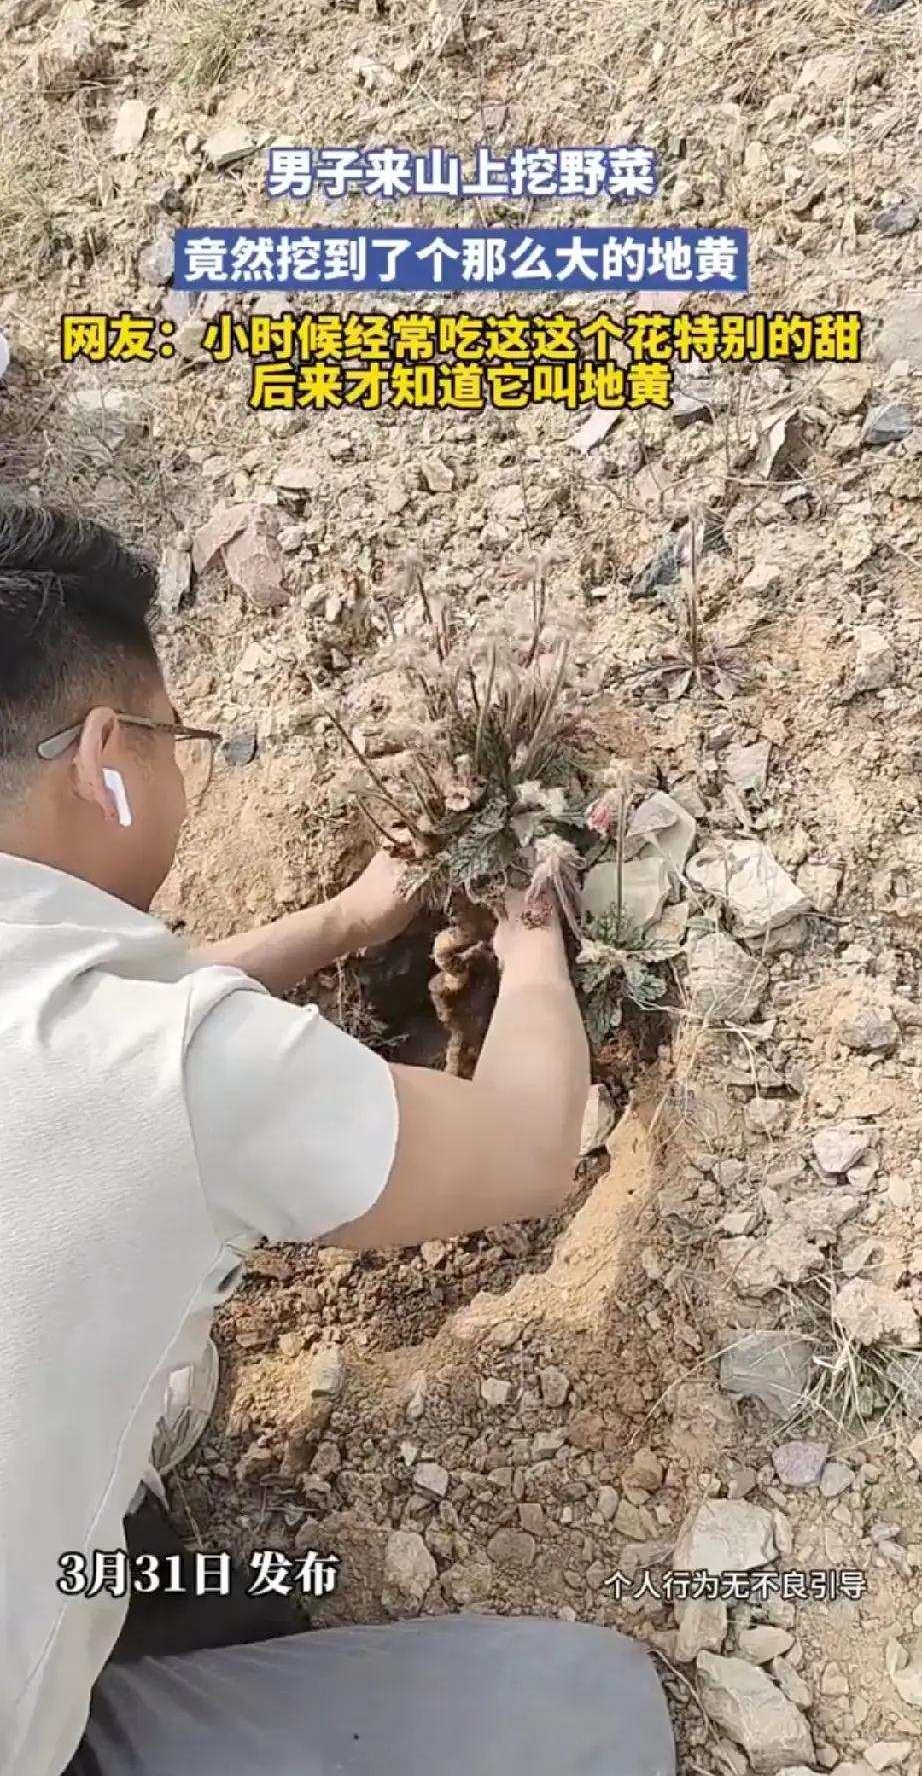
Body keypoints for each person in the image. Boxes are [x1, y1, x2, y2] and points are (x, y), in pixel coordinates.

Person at [0, 500, 676, 1776]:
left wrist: (337, 923)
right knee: (594, 1710)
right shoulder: (176, 1073)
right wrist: (530, 942)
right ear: (102, 753)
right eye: (170, 739)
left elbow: (103, 1035)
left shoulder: (111, 1033)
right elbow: (533, 1146)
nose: (175, 773)